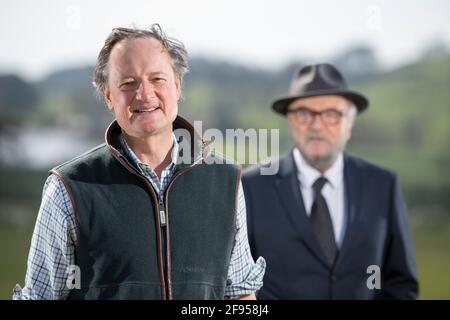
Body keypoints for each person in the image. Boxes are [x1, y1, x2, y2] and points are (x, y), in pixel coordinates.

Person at [13, 24, 265, 300]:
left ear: (177, 87)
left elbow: (240, 294)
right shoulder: (69, 188)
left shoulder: (226, 179)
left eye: (157, 79)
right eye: (128, 83)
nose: (145, 94)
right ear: (109, 96)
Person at [242, 63, 418, 299]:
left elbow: (400, 283)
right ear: (290, 120)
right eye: (304, 114)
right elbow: (236, 284)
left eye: (331, 115)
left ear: (350, 124)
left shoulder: (383, 184)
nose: (316, 125)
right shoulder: (251, 186)